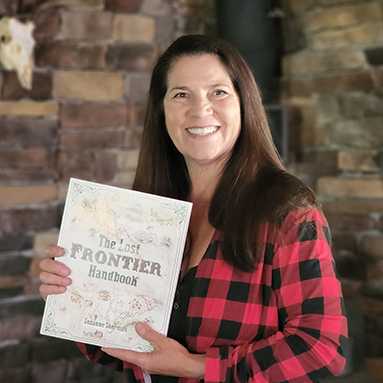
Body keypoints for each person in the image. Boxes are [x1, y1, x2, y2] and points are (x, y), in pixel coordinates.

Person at [39, 34, 348, 382]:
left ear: (243, 104)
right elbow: (121, 349)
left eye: (218, 92)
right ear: (162, 110)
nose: (200, 110)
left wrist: (195, 367)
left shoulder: (288, 211)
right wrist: (77, 294)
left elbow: (323, 348)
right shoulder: (144, 215)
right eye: (181, 94)